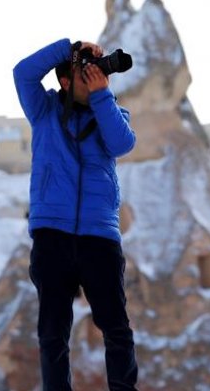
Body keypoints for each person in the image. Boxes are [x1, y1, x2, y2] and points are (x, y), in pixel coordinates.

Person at [14, 38, 138, 390]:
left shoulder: (110, 110)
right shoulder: (44, 109)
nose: (96, 78)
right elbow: (22, 73)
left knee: (117, 329)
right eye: (85, 75)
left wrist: (101, 95)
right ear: (65, 82)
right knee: (53, 333)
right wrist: (69, 47)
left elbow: (122, 144)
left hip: (100, 236)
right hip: (52, 233)